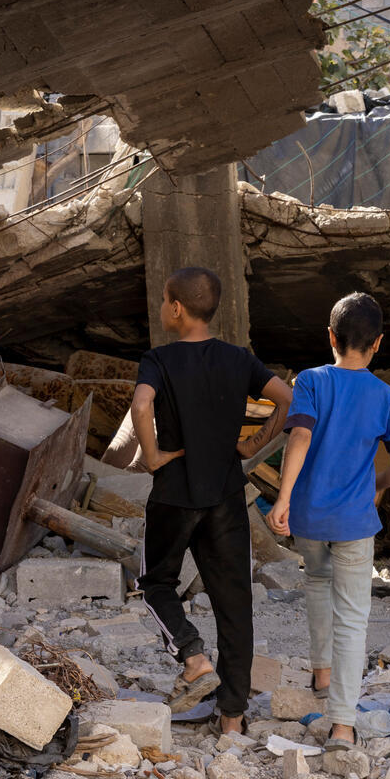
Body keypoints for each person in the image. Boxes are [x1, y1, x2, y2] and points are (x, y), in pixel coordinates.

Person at [131, 267, 292, 735]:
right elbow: (286, 397)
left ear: (176, 309)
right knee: (233, 603)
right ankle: (233, 718)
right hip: (224, 493)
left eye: (164, 300)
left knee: (156, 583)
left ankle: (193, 656)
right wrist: (252, 444)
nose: (163, 308)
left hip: (175, 494)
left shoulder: (157, 360)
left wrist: (154, 454)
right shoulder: (239, 359)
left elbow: (141, 407)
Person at [268, 292, 390, 749]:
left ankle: (321, 673)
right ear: (378, 344)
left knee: (315, 582)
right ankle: (344, 725)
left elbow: (300, 437)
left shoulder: (309, 381)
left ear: (330, 337)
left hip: (309, 517)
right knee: (353, 619)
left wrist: (283, 498)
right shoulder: (386, 396)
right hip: (355, 521)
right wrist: (379, 483)